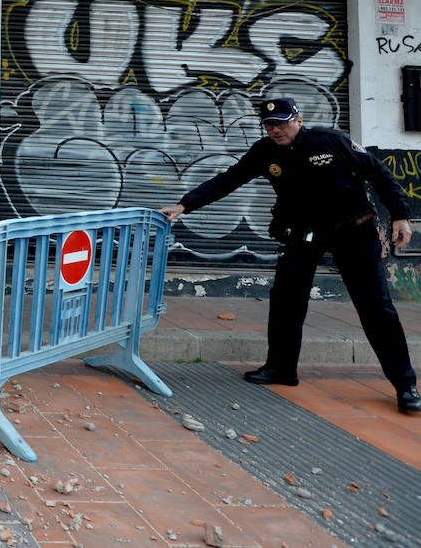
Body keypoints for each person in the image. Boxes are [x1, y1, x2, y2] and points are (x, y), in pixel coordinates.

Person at [159, 97, 420, 415]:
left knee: (376, 307)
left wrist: (400, 216)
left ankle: (405, 385)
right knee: (286, 300)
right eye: (269, 125)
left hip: (354, 230)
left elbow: (380, 175)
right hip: (303, 232)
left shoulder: (331, 141)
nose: (276, 130)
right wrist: (185, 204)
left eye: (282, 123)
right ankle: (282, 368)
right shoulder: (264, 152)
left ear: (298, 120)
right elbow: (228, 179)